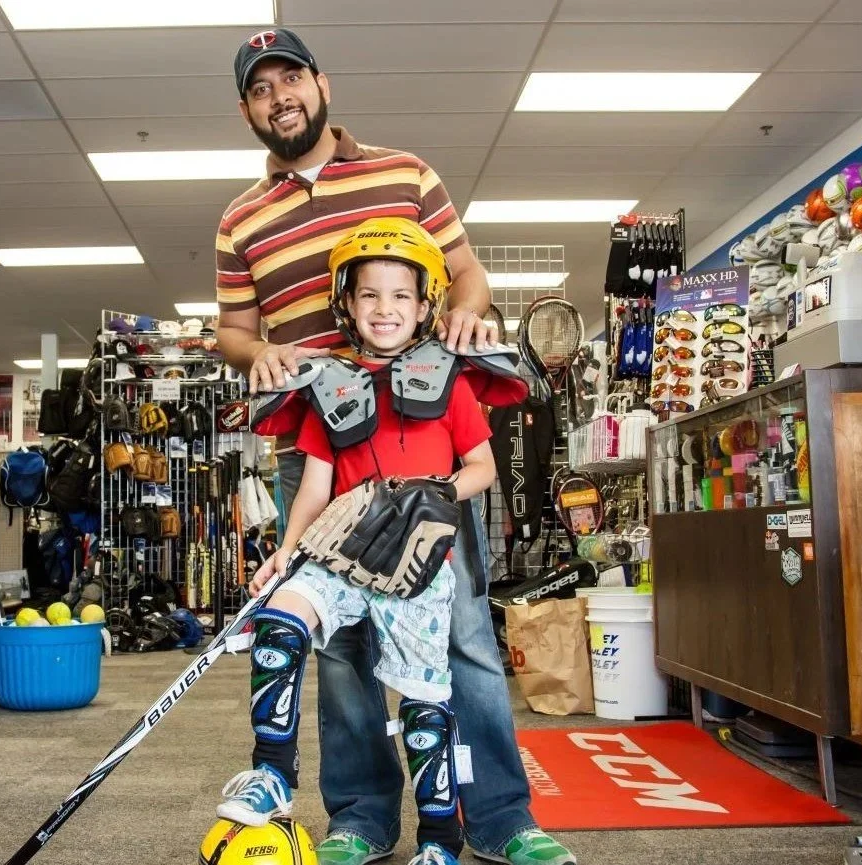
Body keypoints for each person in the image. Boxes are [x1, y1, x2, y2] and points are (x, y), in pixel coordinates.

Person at [215, 28, 576, 865]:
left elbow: (467, 272)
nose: (281, 99)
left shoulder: (404, 172)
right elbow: (233, 329)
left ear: (320, 84)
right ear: (248, 109)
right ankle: (363, 815)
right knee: (341, 646)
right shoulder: (241, 216)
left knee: (460, 634)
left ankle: (496, 817)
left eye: (290, 80)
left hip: (424, 441)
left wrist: (466, 313)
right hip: (324, 435)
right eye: (262, 90)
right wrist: (254, 351)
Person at [218, 217, 494, 865]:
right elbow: (313, 487)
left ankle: (439, 840)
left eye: (401, 295)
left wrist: (439, 493)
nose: (385, 308)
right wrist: (287, 552)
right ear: (345, 302)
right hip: (341, 552)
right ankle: (272, 774)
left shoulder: (449, 381)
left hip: (417, 563)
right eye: (370, 294)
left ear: (427, 304)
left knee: (426, 706)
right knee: (282, 617)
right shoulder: (328, 388)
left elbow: (482, 466)